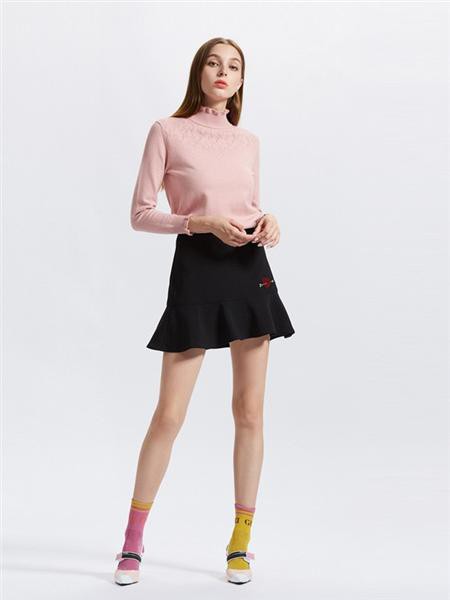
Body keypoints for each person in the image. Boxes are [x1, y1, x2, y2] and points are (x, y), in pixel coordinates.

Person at [114, 36, 295, 587]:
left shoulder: (248, 141)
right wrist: (200, 223)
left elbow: (247, 205)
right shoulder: (166, 131)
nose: (223, 71)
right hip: (196, 266)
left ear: (241, 81)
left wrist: (269, 220)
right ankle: (132, 542)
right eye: (214, 62)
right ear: (199, 72)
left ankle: (240, 542)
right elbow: (141, 213)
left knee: (249, 412)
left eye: (234, 66)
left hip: (249, 269)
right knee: (169, 415)